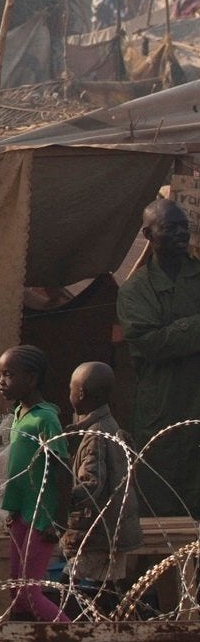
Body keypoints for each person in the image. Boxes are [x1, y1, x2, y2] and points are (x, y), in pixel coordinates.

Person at [117, 198, 200, 516]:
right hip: (162, 411)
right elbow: (152, 343)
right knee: (161, 507)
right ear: (148, 233)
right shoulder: (135, 291)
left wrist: (177, 331)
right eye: (170, 228)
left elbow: (166, 337)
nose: (181, 234)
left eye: (184, 226)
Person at [63, 361, 142, 614]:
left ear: (81, 394)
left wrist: (60, 498)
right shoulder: (110, 426)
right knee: (102, 593)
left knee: (83, 593)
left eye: (71, 389)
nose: (70, 394)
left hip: (97, 534)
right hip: (113, 530)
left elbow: (92, 485)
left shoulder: (95, 435)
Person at [0, 346, 68, 624]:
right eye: (0, 374)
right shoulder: (20, 413)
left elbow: (62, 470)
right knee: (17, 589)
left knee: (30, 590)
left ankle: (72, 637)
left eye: (9, 375)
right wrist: (12, 508)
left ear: (32, 378)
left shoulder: (46, 418)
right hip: (21, 512)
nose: (1, 381)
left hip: (42, 515)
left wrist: (58, 520)